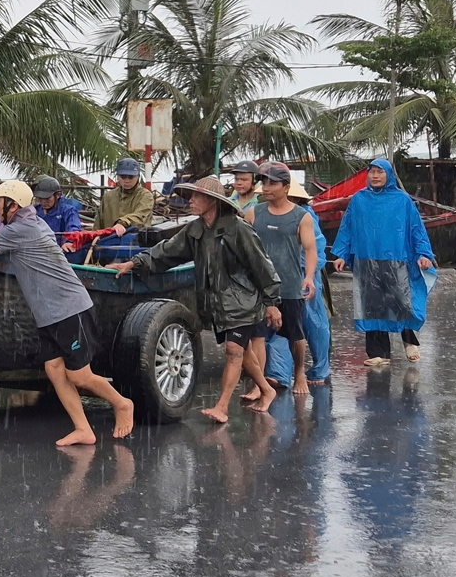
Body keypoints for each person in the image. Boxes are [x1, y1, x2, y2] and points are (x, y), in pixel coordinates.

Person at [0, 180, 135, 444]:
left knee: (79, 375)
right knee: (54, 369)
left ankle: (122, 404)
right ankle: (83, 429)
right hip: (49, 314)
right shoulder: (30, 223)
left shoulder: (22, 228)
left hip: (69, 308)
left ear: (13, 205)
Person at [107, 175, 281, 422]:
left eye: (196, 197)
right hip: (217, 304)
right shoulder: (195, 230)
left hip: (242, 301)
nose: (190, 201)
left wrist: (272, 303)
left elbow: (262, 265)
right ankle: (267, 389)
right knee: (241, 351)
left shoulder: (238, 229)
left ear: (212, 201)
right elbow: (166, 252)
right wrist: (134, 263)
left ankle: (222, 407)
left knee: (233, 351)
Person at [331, 158, 435, 366]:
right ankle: (378, 353)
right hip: (366, 258)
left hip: (396, 258)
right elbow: (347, 227)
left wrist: (424, 253)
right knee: (372, 305)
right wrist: (341, 253)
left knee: (399, 301)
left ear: (388, 175)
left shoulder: (402, 200)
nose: (375, 176)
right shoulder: (359, 200)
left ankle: (408, 338)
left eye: (380, 172)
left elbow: (416, 229)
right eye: (372, 172)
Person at [241, 163, 316, 397]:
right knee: (257, 336)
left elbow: (310, 249)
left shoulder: (301, 216)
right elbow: (241, 244)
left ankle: (300, 371)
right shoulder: (254, 213)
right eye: (264, 182)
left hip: (290, 284)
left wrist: (310, 277)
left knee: (295, 335)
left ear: (286, 187)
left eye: (273, 183)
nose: (267, 187)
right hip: (260, 287)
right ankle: (259, 384)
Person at [262, 180, 333, 389]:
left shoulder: (305, 216)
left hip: (302, 277)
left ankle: (315, 368)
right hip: (280, 276)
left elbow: (315, 250)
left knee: (307, 324)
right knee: (283, 325)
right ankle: (279, 372)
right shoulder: (269, 214)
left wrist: (305, 274)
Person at [96, 158, 154, 237]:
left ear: (138, 177)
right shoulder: (108, 197)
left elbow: (140, 215)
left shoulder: (146, 196)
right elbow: (98, 225)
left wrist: (122, 223)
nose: (127, 180)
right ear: (118, 177)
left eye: (131, 177)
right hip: (107, 243)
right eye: (123, 177)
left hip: (136, 243)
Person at [32, 175, 83, 252]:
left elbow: (73, 228)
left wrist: (69, 242)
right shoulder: (34, 210)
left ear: (58, 195)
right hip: (38, 251)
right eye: (40, 198)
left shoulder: (68, 211)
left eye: (47, 198)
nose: (43, 201)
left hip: (60, 251)